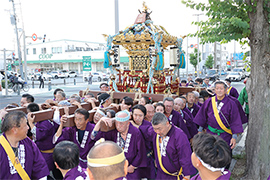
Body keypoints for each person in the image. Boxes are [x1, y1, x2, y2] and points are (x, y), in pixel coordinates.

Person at [91, 110, 147, 179]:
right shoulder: (114, 132)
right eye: (117, 123)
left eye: (121, 124)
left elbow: (141, 152)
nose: (118, 126)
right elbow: (94, 137)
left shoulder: (135, 132)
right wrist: (100, 121)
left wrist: (132, 166)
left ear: (128, 123)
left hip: (131, 168)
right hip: (116, 168)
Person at [139, 112, 196, 179]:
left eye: (159, 129)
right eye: (155, 128)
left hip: (174, 175)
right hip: (160, 174)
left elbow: (185, 157)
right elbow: (145, 131)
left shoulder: (179, 135)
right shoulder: (154, 132)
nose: (157, 132)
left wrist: (187, 176)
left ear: (167, 123)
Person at [193, 80, 243, 150]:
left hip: (225, 134)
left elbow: (235, 120)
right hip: (210, 134)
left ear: (226, 90)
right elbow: (202, 116)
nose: (219, 90)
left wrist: (234, 137)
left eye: (221, 89)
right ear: (215, 90)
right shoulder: (209, 101)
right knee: (210, 154)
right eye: (217, 88)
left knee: (224, 154)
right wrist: (200, 131)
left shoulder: (232, 103)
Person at [0, 111, 49, 179]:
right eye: (25, 125)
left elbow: (39, 166)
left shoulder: (28, 142)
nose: (28, 127)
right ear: (15, 130)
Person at [26, 103, 60, 177]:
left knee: (45, 173)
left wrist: (30, 123)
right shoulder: (42, 121)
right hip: (46, 152)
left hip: (47, 153)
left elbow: (39, 135)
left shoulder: (44, 123)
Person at [131, 104, 156, 179]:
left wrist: (137, 127)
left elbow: (152, 140)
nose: (137, 118)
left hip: (148, 158)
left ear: (144, 115)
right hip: (133, 160)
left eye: (140, 115)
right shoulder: (128, 124)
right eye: (135, 115)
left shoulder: (148, 125)